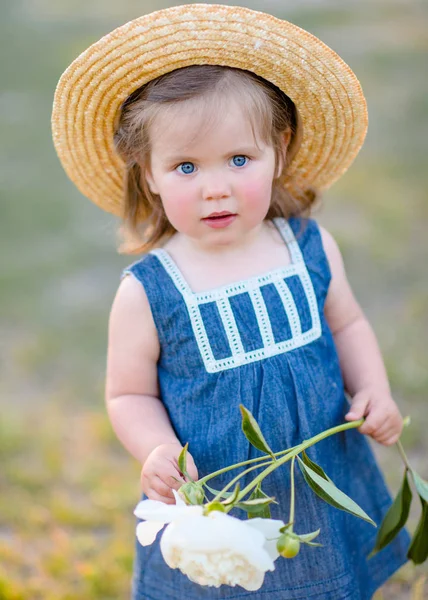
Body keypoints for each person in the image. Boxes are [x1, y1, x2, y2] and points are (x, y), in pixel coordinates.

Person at [52, 4, 410, 599]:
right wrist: (156, 448)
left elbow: (346, 324)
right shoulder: (149, 291)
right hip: (222, 499)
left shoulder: (309, 246)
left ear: (279, 151)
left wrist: (373, 387)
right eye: (185, 166)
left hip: (321, 481)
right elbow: (127, 392)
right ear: (149, 175)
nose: (214, 186)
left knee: (329, 577)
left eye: (239, 160)